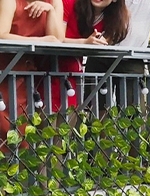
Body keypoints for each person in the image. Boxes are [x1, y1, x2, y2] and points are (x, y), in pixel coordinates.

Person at [0, 0, 65, 143]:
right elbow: (1, 34)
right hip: (5, 69)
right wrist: (39, 41)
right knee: (5, 124)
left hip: (27, 75)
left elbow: (57, 39)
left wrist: (51, 11)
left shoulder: (54, 2)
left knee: (21, 130)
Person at [53, 0, 128, 109]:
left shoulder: (114, 18)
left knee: (70, 115)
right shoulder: (69, 3)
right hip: (48, 65)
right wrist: (85, 43)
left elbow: (108, 39)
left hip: (73, 70)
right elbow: (55, 38)